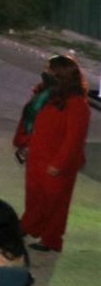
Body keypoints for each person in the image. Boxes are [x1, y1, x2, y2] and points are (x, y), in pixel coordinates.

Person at [13, 55, 91, 253]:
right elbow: (30, 120)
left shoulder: (76, 104)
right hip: (37, 156)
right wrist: (23, 143)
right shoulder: (45, 95)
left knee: (55, 202)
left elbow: (74, 140)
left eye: (50, 69)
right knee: (35, 196)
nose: (45, 72)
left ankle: (51, 239)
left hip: (57, 162)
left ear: (61, 75)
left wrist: (59, 164)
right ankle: (30, 226)